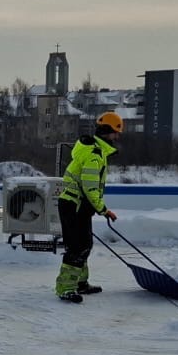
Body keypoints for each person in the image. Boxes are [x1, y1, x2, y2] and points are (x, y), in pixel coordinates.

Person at [55, 111, 123, 303]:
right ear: (108, 131)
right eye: (116, 132)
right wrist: (104, 209)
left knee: (84, 245)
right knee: (77, 247)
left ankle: (79, 283)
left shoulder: (95, 150)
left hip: (78, 204)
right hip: (74, 204)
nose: (117, 137)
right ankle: (65, 287)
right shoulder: (94, 154)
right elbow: (90, 187)